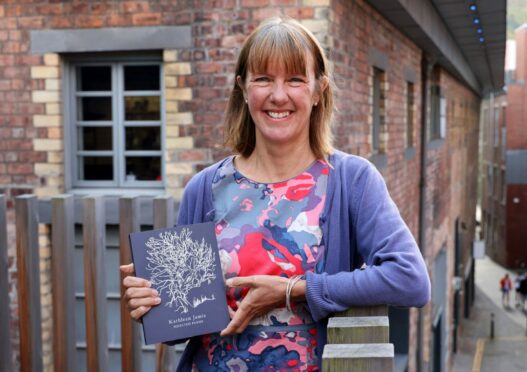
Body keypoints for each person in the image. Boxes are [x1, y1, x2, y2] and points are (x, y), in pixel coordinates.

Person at [120, 17, 430, 371]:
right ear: (243, 88)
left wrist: (293, 289)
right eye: (263, 79)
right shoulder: (204, 189)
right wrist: (152, 303)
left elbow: (410, 280)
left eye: (295, 80)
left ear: (318, 91)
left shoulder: (352, 180)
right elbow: (179, 331)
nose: (278, 95)